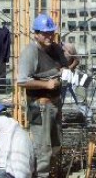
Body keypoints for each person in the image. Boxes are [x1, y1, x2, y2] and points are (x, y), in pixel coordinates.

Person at [17, 13, 70, 177]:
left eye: (51, 32)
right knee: (42, 148)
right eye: (45, 33)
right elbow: (22, 81)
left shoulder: (55, 49)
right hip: (39, 106)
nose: (49, 36)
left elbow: (64, 66)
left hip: (55, 104)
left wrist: (66, 71)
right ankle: (40, 175)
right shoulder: (30, 52)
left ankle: (48, 173)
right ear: (36, 34)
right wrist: (46, 84)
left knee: (56, 144)